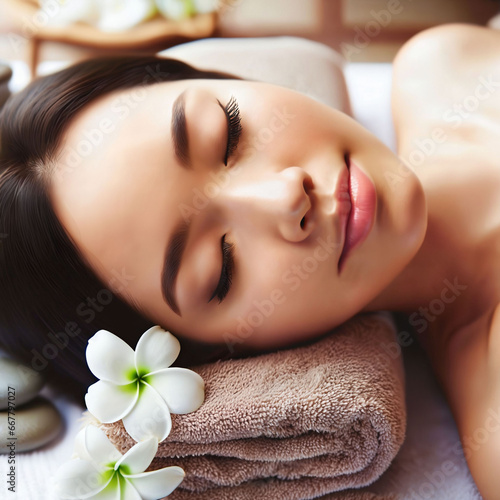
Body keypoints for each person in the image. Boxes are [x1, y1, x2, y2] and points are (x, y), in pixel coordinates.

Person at [1, 22, 499, 498]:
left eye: (229, 131)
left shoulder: (445, 61)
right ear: (227, 358)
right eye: (221, 269)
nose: (285, 197)